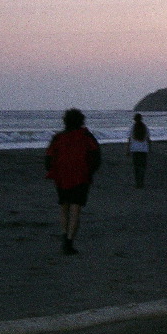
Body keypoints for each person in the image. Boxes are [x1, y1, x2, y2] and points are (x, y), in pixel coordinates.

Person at [45, 108, 101, 255]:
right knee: (75, 209)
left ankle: (65, 235)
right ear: (81, 120)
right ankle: (69, 242)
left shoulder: (58, 137)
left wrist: (51, 169)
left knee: (64, 206)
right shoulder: (86, 136)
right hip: (81, 176)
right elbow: (96, 155)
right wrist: (90, 171)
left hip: (61, 176)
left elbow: (49, 156)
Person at [127, 113, 151, 188]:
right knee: (142, 166)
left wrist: (128, 149)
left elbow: (129, 139)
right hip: (144, 149)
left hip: (135, 149)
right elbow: (148, 139)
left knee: (136, 166)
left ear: (135, 119)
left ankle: (137, 183)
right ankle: (142, 182)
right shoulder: (145, 127)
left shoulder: (133, 127)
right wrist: (150, 148)